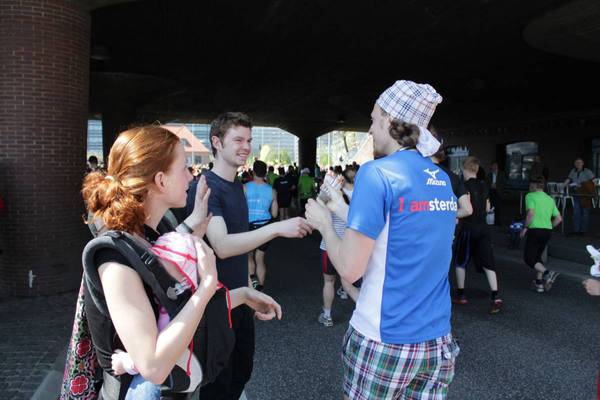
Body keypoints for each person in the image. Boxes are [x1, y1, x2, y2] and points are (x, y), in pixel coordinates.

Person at [81, 126, 282, 399]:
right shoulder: (115, 259)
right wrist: (206, 288)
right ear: (161, 180)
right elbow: (152, 365)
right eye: (185, 168)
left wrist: (243, 296)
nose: (192, 175)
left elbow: (175, 307)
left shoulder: (152, 232)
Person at [306, 80, 459, 399]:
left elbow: (349, 269)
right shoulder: (441, 179)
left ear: (391, 121)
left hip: (384, 337)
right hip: (437, 341)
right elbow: (400, 232)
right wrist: (342, 208)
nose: (371, 130)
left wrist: (324, 223)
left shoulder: (376, 173)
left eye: (374, 120)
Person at [186, 112, 312, 400]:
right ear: (216, 142)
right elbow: (223, 246)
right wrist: (277, 228)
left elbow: (239, 253)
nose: (246, 146)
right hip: (215, 305)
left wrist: (251, 292)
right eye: (238, 140)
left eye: (249, 140)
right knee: (217, 385)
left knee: (241, 372)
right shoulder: (205, 187)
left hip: (239, 298)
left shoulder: (236, 186)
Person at [454, 156, 503, 314]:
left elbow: (467, 208)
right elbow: (488, 207)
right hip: (483, 228)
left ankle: (461, 294)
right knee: (488, 262)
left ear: (464, 169)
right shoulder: (484, 185)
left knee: (461, 261)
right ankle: (495, 296)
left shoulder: (463, 186)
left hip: (468, 228)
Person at [317, 168, 359, 327]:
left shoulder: (333, 196)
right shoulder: (362, 196)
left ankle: (327, 315)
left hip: (329, 245)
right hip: (351, 245)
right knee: (350, 283)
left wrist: (327, 188)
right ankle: (365, 314)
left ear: (342, 178)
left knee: (329, 282)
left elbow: (318, 207)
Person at [521, 176, 562, 293]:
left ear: (535, 185)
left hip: (535, 230)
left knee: (529, 259)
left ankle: (548, 273)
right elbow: (559, 218)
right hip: (547, 231)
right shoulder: (550, 199)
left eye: (530, 185)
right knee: (537, 257)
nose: (529, 187)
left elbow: (530, 214)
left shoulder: (530, 196)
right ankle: (539, 284)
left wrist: (525, 227)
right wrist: (549, 227)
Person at [245, 160, 278, 291]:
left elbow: (239, 210)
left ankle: (252, 284)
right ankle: (261, 290)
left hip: (248, 227)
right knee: (260, 258)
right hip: (265, 227)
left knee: (248, 256)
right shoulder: (272, 191)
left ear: (253, 172)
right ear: (266, 173)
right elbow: (275, 214)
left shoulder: (244, 187)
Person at [564, 158, 595, 235]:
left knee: (585, 213)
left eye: (579, 162)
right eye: (576, 163)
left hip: (585, 195)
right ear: (574, 164)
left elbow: (594, 181)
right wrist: (562, 186)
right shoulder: (573, 171)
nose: (578, 164)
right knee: (576, 212)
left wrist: (584, 185)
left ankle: (583, 231)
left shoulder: (587, 171)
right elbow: (568, 179)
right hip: (576, 194)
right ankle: (576, 230)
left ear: (582, 163)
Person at [485, 161, 505, 226]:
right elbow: (486, 184)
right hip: (491, 192)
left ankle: (498, 222)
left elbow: (503, 183)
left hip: (498, 192)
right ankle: (491, 221)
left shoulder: (501, 174)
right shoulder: (489, 175)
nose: (494, 167)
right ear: (491, 166)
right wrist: (490, 185)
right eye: (493, 166)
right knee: (491, 207)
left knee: (498, 208)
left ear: (497, 166)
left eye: (495, 165)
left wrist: (496, 185)